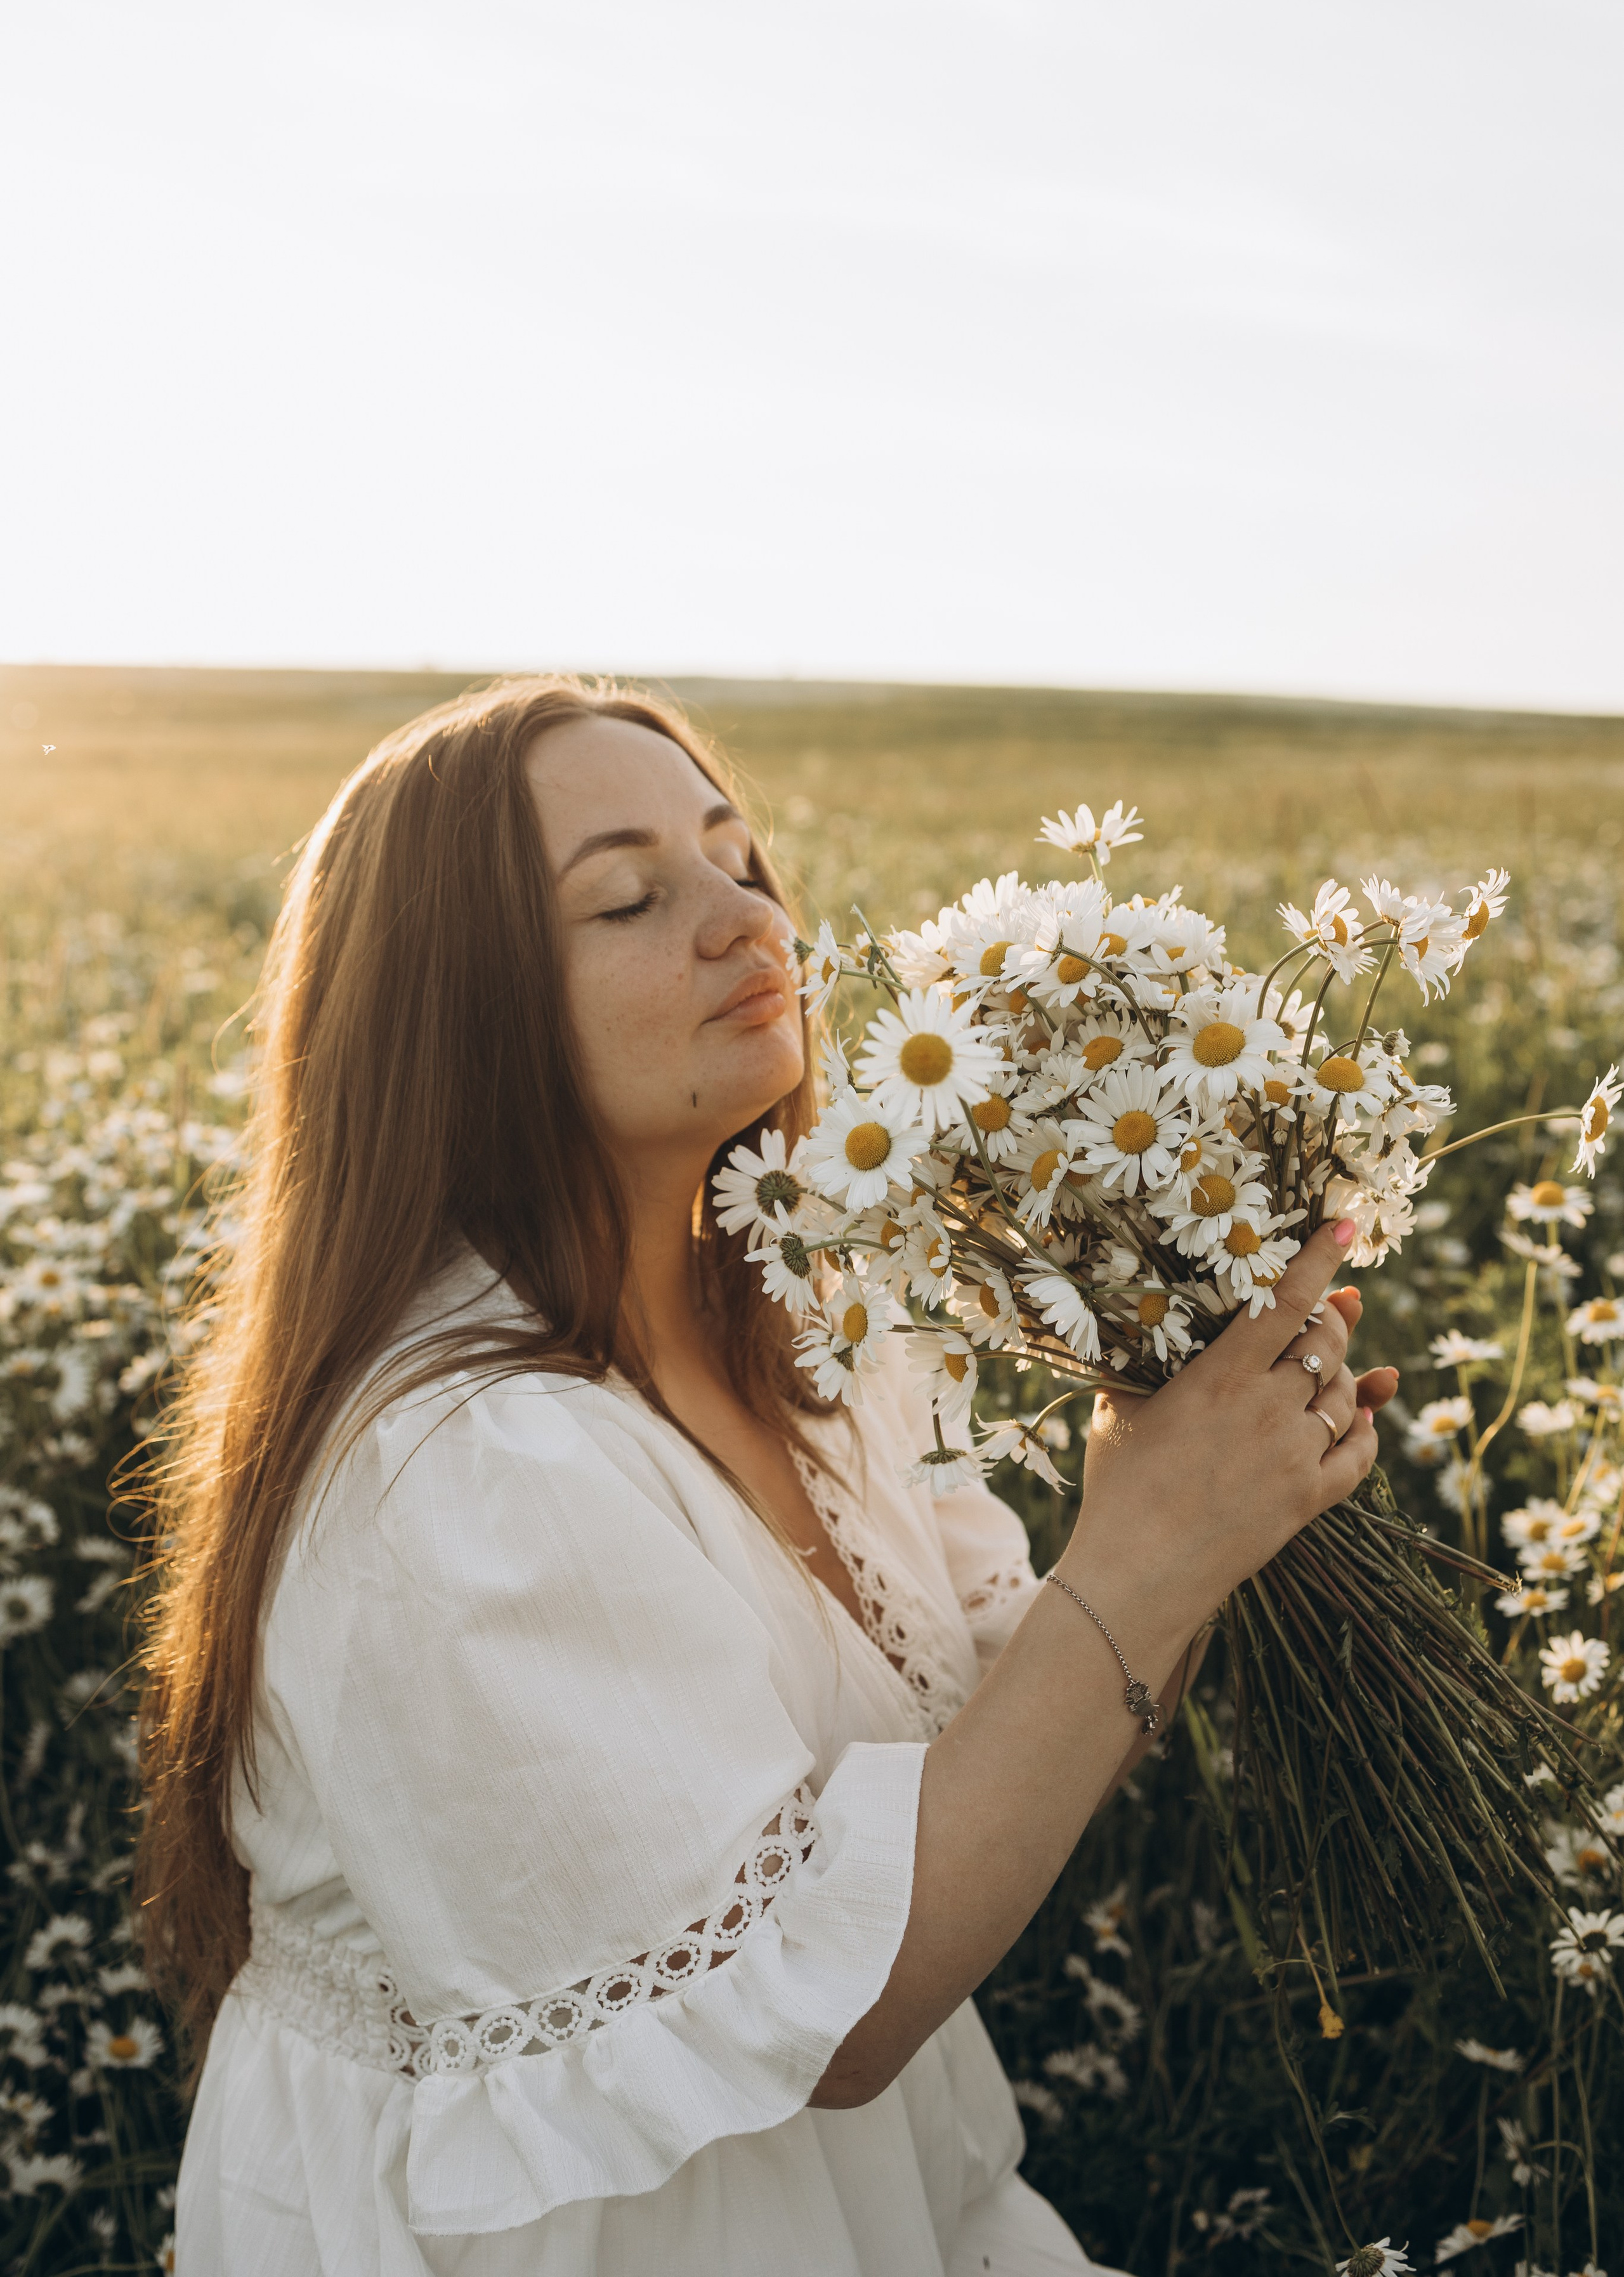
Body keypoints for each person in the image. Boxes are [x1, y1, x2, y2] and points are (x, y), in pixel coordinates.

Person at [141, 676, 1397, 2275]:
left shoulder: (818, 1324)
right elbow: (831, 2011)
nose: (746, 919)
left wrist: (1197, 1484)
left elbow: (1030, 1729)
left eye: (739, 862)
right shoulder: (457, 1472)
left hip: (892, 2200)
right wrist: (1150, 1548)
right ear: (456, 1014)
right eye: (627, 898)